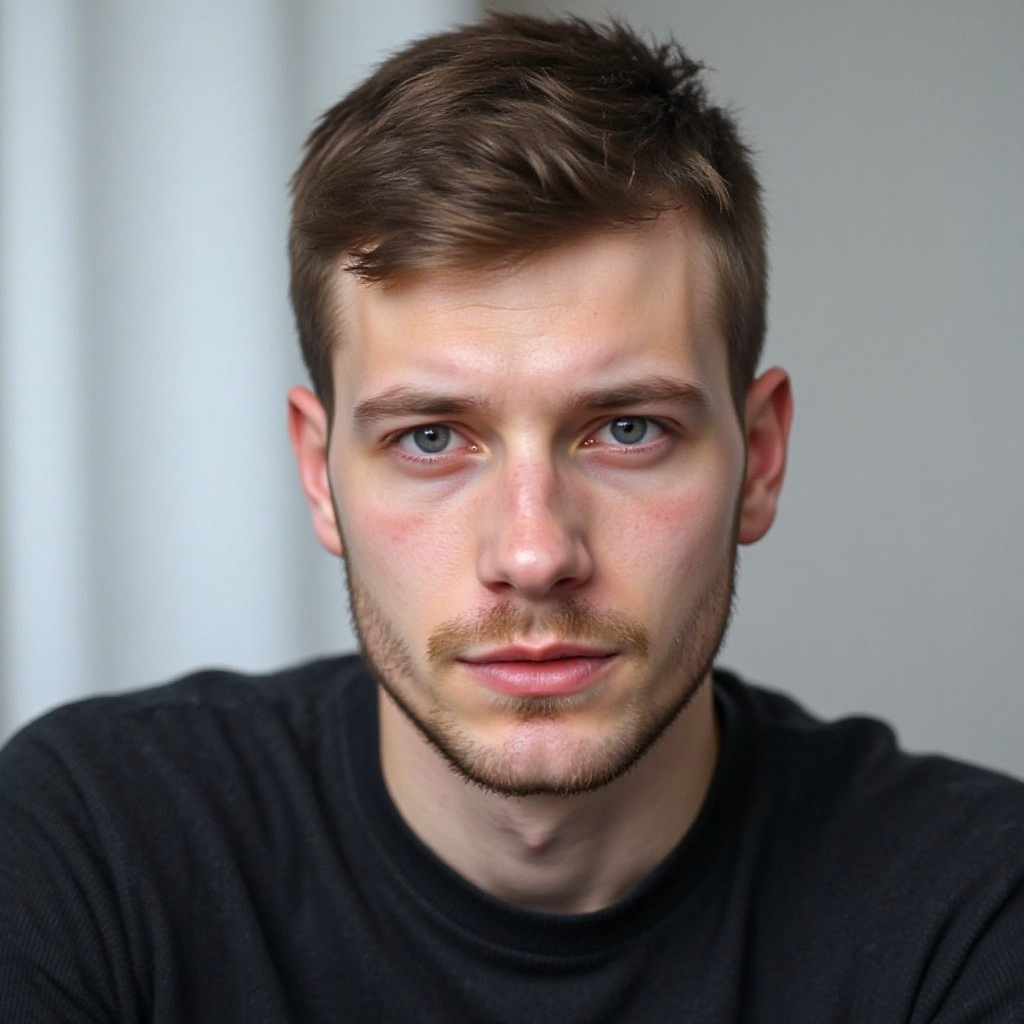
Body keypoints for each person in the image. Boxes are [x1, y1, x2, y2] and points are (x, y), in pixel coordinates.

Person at [1, 13, 1022, 1022]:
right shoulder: (90, 847)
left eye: (626, 428)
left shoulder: (973, 904)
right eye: (432, 439)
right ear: (320, 474)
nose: (533, 554)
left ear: (758, 457)